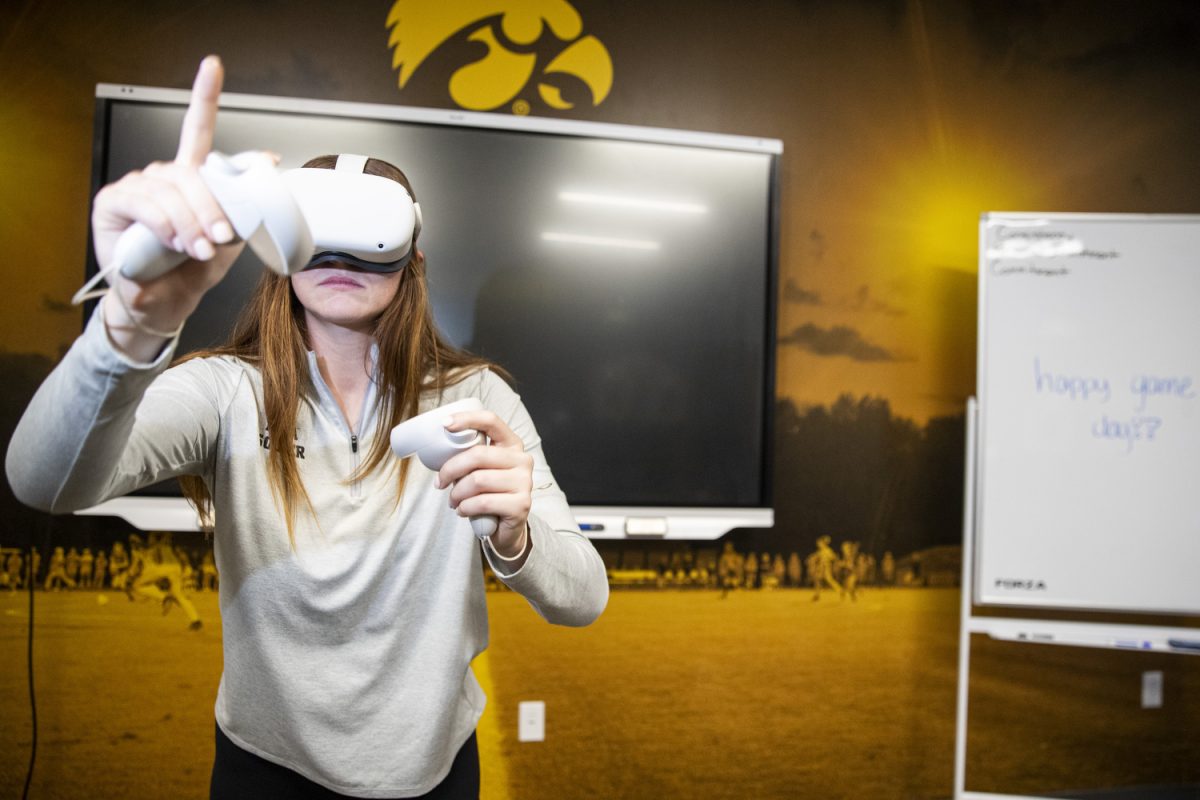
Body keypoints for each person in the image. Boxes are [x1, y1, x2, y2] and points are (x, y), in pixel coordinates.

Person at [5, 56, 608, 799]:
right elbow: (43, 482)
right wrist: (127, 326)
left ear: (411, 261)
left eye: (369, 236)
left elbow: (583, 597)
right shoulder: (226, 392)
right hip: (265, 769)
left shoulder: (477, 400)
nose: (341, 252)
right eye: (317, 231)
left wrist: (516, 539)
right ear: (278, 252)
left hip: (437, 773)